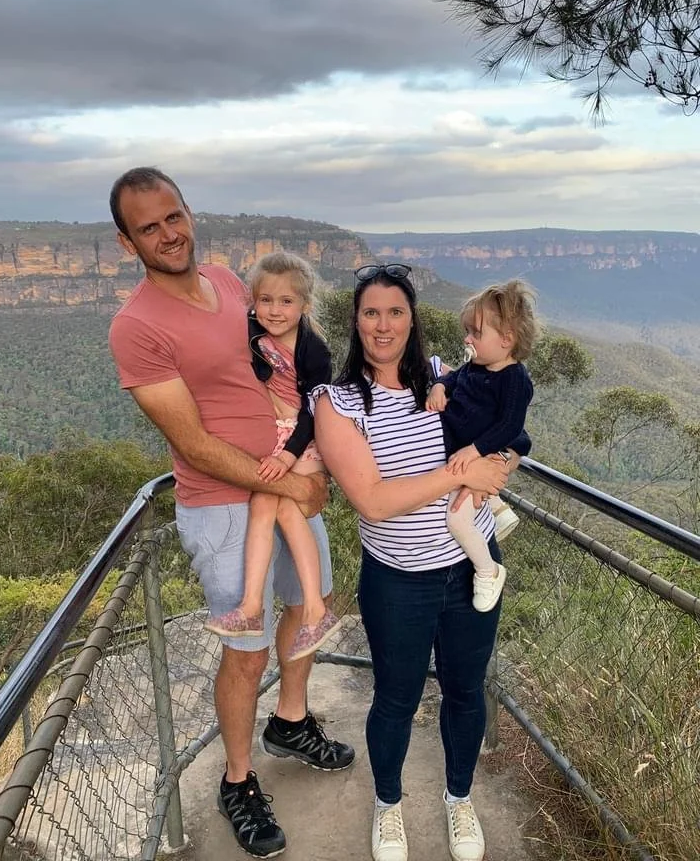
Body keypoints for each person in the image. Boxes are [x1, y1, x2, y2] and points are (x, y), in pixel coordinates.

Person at [107, 167, 354, 860]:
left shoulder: (225, 279)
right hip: (222, 506)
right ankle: (238, 780)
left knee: (308, 606)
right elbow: (191, 443)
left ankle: (291, 721)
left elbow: (286, 357)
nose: (167, 234)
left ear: (189, 213)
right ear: (128, 243)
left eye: (173, 216)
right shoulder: (136, 327)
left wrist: (313, 457)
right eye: (149, 227)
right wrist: (295, 486)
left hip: (288, 477)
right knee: (246, 649)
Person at [310, 263, 530, 861]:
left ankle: (459, 798)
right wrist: (462, 475)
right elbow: (374, 501)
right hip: (398, 581)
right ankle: (388, 807)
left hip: (471, 568)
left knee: (465, 690)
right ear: (355, 321)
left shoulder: (441, 377)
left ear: (413, 319)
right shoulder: (337, 403)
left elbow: (506, 429)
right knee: (396, 697)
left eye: (396, 312)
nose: (384, 325)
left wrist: (498, 464)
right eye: (371, 313)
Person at [207, 251, 342, 662]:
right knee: (265, 507)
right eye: (265, 300)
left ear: (305, 305)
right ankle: (258, 607)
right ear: (253, 301)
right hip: (276, 438)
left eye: (286, 301)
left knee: (281, 508)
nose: (275, 310)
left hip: (303, 442)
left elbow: (314, 411)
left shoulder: (313, 350)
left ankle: (308, 609)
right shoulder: (250, 332)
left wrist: (287, 456)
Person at [426, 280, 537, 612]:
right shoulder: (475, 367)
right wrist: (440, 386)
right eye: (468, 331)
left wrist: (474, 451)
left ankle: (488, 571)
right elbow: (453, 377)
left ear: (506, 339)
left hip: (480, 454)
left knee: (456, 519)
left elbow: (510, 426)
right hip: (466, 455)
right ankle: (496, 508)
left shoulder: (514, 379)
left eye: (476, 333)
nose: (467, 339)